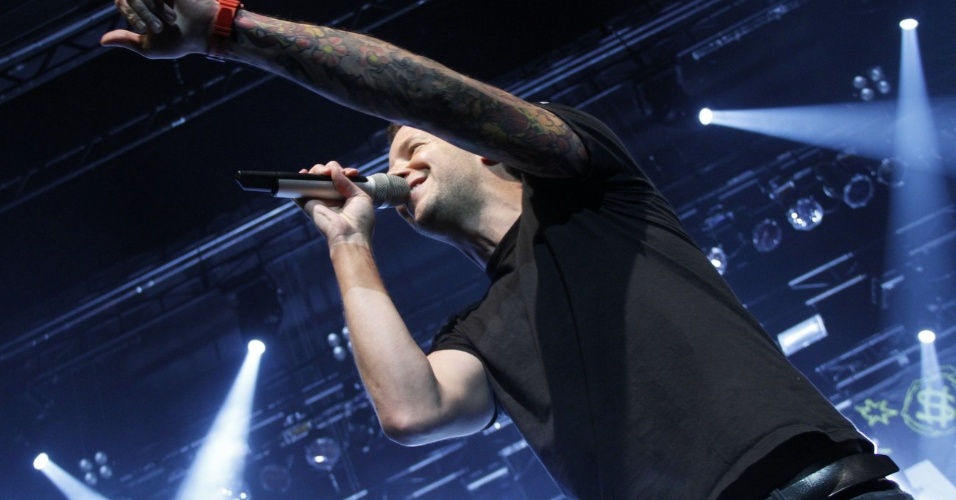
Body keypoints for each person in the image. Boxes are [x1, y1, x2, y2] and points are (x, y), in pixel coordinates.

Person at [101, 1, 914, 498]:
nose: (399, 162)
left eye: (416, 144)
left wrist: (234, 33)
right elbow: (411, 411)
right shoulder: (480, 334)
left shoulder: (591, 189)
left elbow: (436, 96)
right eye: (393, 156)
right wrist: (348, 242)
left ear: (485, 151)